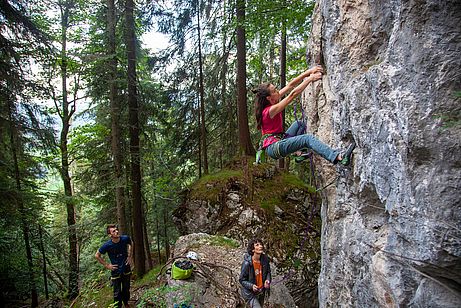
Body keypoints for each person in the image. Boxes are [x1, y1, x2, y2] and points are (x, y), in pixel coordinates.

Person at [253, 65, 355, 165]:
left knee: (300, 124)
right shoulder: (269, 111)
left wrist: (309, 72)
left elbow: (290, 85)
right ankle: (339, 157)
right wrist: (310, 79)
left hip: (279, 140)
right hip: (274, 147)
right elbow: (292, 95)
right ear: (269, 98)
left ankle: (299, 154)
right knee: (307, 139)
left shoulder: (273, 99)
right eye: (274, 91)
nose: (277, 91)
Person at [95, 224, 133, 308]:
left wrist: (130, 255)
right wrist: (107, 265)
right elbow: (97, 255)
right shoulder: (107, 245)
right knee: (117, 293)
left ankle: (126, 303)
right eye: (114, 231)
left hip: (126, 268)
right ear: (110, 235)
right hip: (115, 271)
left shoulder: (125, 238)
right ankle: (117, 306)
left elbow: (131, 243)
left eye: (116, 230)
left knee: (126, 289)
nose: (117, 232)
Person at [239, 239, 272, 308]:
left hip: (261, 291)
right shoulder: (247, 263)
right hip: (250, 294)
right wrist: (251, 286)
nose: (261, 246)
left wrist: (267, 280)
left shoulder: (265, 259)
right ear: (252, 249)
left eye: (261, 244)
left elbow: (268, 272)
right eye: (257, 245)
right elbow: (242, 280)